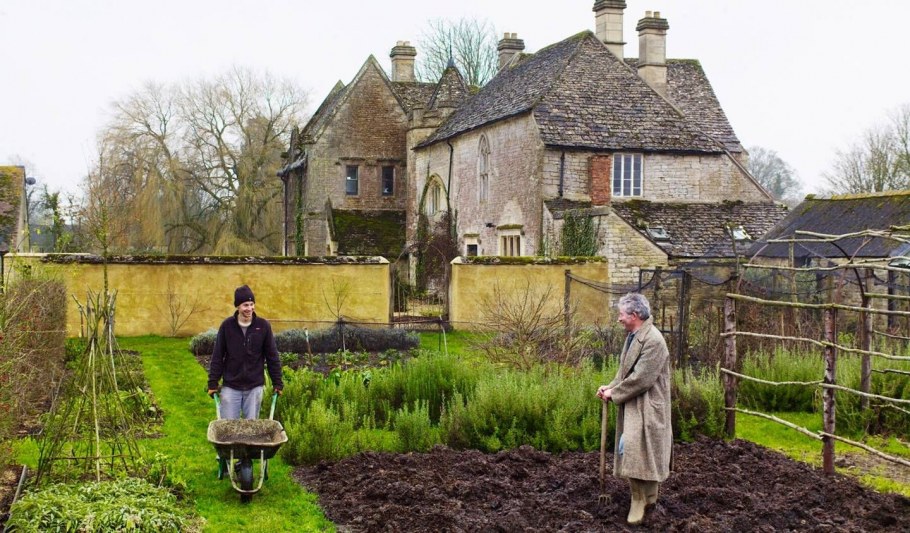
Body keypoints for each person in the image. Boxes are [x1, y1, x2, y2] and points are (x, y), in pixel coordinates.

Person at [596, 292, 671, 525]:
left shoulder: (654, 340)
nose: (618, 319)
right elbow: (625, 371)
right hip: (634, 403)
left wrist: (615, 394)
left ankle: (642, 501)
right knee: (634, 451)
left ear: (635, 315)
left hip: (648, 405)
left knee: (639, 452)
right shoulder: (633, 336)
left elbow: (641, 379)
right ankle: (645, 498)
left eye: (621, 314)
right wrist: (610, 386)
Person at [207, 284, 283, 420]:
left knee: (251, 429)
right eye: (245, 305)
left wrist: (277, 382)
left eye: (252, 304)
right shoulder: (227, 326)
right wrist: (213, 382)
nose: (250, 308)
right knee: (228, 427)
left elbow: (272, 356)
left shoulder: (263, 326)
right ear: (237, 306)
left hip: (254, 386)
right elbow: (218, 356)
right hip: (231, 386)